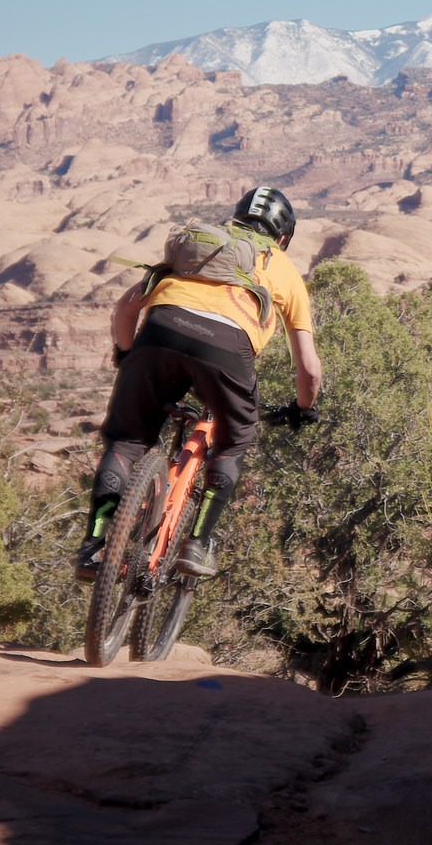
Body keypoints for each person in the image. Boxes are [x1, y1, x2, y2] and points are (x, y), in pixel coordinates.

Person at [76, 186, 323, 580]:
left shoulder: (201, 246)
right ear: (283, 237)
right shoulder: (284, 268)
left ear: (238, 216)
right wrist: (304, 409)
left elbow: (125, 307)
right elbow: (308, 369)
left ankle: (96, 543)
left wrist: (127, 354)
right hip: (227, 353)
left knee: (125, 443)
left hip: (160, 332)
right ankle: (196, 543)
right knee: (232, 442)